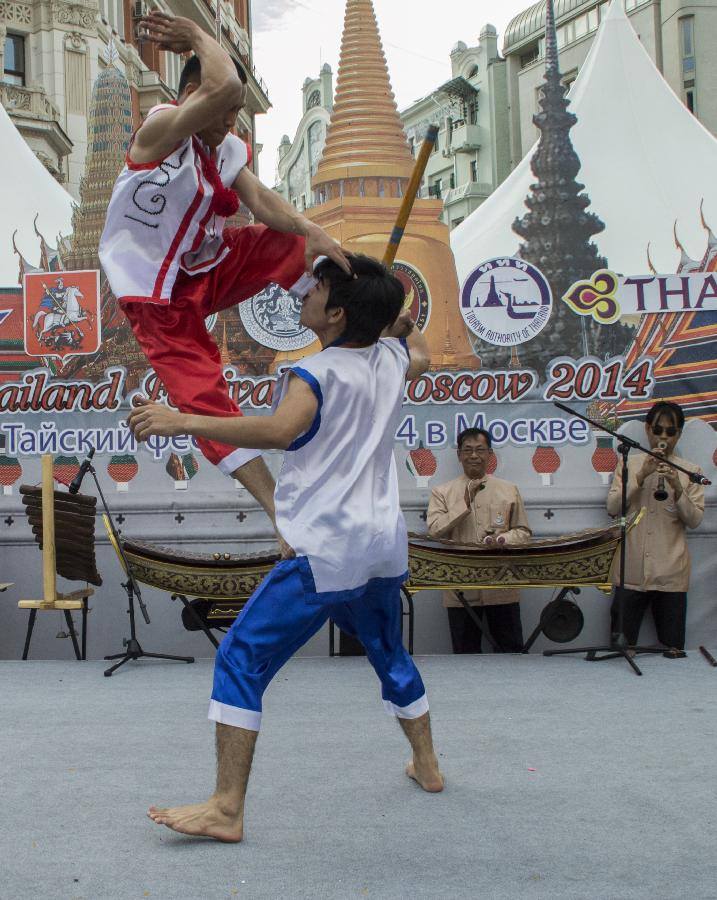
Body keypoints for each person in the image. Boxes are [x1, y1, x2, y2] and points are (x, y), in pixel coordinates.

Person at [127, 254, 444, 842]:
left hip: (324, 549)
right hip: (381, 545)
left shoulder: (317, 371)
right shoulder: (395, 359)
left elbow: (279, 431)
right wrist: (401, 326)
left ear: (338, 313)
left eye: (317, 289)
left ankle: (226, 808)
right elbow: (419, 350)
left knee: (238, 659)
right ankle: (426, 765)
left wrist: (183, 421)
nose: (305, 293)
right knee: (387, 650)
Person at [99, 10, 350, 545]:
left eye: (238, 115)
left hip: (205, 266)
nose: (231, 123)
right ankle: (279, 510)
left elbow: (261, 202)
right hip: (156, 295)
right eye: (225, 111)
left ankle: (344, 338)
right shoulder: (160, 129)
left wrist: (311, 229)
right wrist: (194, 34)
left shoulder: (227, 148)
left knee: (290, 240)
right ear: (195, 92)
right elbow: (225, 84)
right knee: (204, 400)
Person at [607, 401, 704, 653]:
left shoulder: (690, 471)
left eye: (670, 432)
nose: (663, 437)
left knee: (673, 650)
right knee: (620, 652)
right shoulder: (629, 463)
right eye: (658, 430)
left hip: (670, 574)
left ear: (679, 434)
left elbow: (694, 520)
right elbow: (613, 507)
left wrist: (677, 486)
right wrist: (640, 477)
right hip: (630, 572)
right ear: (648, 429)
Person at [427, 428, 531, 654]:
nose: (474, 455)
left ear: (490, 454)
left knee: (511, 651)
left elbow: (523, 532)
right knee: (465, 654)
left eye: (480, 450)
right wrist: (464, 503)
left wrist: (503, 539)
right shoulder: (442, 492)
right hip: (461, 587)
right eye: (468, 450)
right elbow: (435, 531)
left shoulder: (508, 490)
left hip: (501, 582)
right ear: (459, 455)